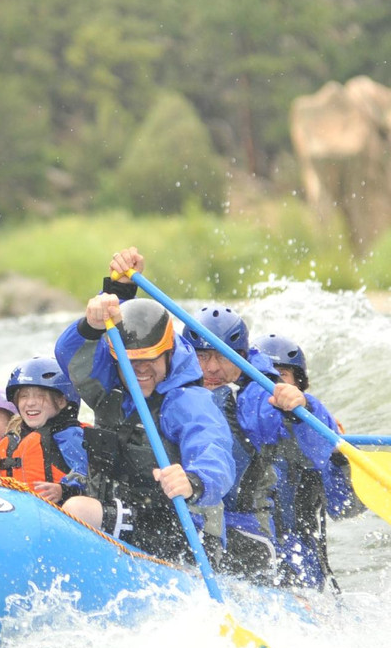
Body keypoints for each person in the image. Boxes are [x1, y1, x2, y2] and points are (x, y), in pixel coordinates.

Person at [55, 248, 235, 565]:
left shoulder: (189, 401)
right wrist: (104, 308)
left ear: (168, 354)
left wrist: (194, 481)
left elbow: (214, 449)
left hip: (180, 531)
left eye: (150, 362)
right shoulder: (108, 387)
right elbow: (70, 355)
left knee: (77, 511)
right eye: (131, 363)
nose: (140, 372)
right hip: (124, 513)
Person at [180, 305, 290, 584]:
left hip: (246, 531)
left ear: (241, 358)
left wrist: (301, 409)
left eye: (221, 356)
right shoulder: (171, 393)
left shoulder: (255, 396)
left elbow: (274, 421)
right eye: (202, 356)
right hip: (190, 520)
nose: (212, 367)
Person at [249, 331, 358, 590]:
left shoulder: (317, 439)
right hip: (251, 549)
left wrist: (340, 457)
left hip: (301, 563)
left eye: (281, 376)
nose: (274, 386)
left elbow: (344, 507)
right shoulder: (241, 425)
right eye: (264, 377)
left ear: (299, 385)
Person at [0, 356, 88, 504]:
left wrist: (64, 489)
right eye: (24, 396)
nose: (30, 403)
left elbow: (87, 472)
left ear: (61, 401)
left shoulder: (69, 435)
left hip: (58, 513)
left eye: (40, 396)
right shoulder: (13, 438)